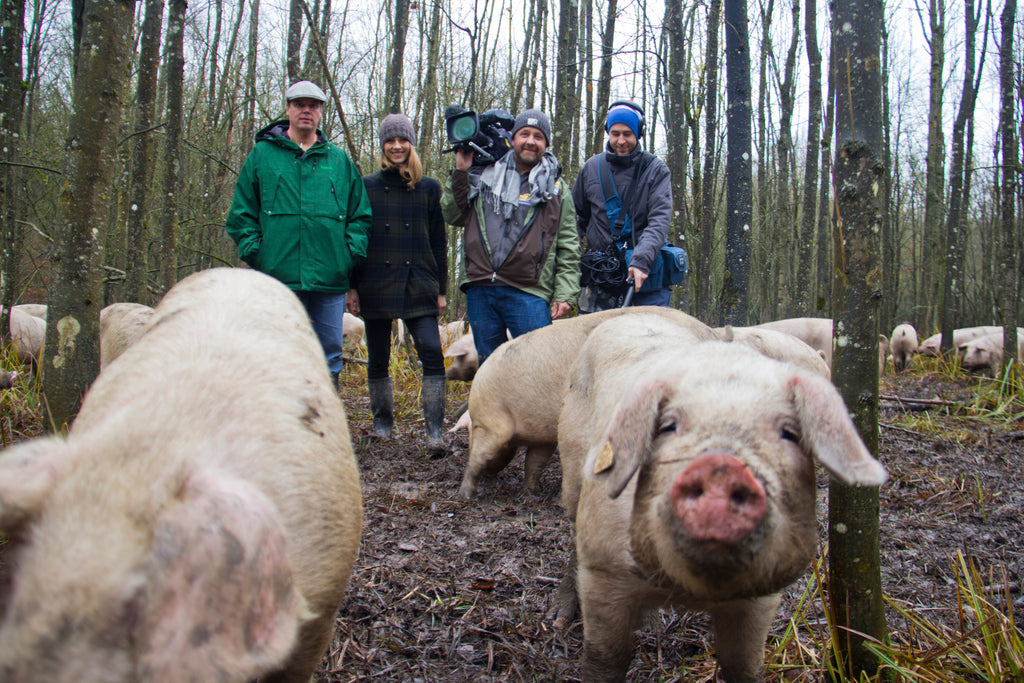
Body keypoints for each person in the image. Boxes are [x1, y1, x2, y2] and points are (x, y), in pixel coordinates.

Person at [226, 80, 371, 387]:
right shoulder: (263, 156)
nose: (307, 111)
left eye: (314, 105)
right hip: (279, 277)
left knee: (329, 353)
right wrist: (260, 254)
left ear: (320, 112)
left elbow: (360, 216)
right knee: (279, 349)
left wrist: (346, 257)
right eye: (300, 104)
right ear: (289, 109)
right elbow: (240, 216)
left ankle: (323, 422)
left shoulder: (338, 160)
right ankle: (281, 422)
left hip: (329, 278)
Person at [440, 108, 580, 364]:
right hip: (482, 287)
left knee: (539, 367)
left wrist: (565, 293)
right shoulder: (483, 176)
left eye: (538, 136)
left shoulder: (557, 188)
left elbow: (569, 245)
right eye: (524, 133)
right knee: (490, 369)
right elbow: (453, 215)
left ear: (546, 144)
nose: (530, 141)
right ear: (513, 139)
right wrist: (461, 172)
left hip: (529, 291)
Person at [348, 114, 448, 449]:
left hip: (419, 280)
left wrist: (442, 290)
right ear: (383, 145)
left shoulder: (429, 188)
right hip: (375, 279)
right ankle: (382, 426)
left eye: (402, 140)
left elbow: (438, 241)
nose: (396, 147)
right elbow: (357, 238)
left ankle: (435, 431)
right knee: (377, 357)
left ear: (411, 144)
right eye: (390, 141)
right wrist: (352, 286)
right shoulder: (366, 186)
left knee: (432, 352)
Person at [574, 100, 673, 312]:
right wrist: (568, 267)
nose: (620, 141)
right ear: (607, 132)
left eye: (627, 134)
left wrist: (640, 260)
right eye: (615, 133)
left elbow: (659, 221)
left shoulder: (655, 170)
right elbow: (575, 221)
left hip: (644, 276)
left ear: (639, 133)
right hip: (600, 277)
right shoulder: (591, 169)